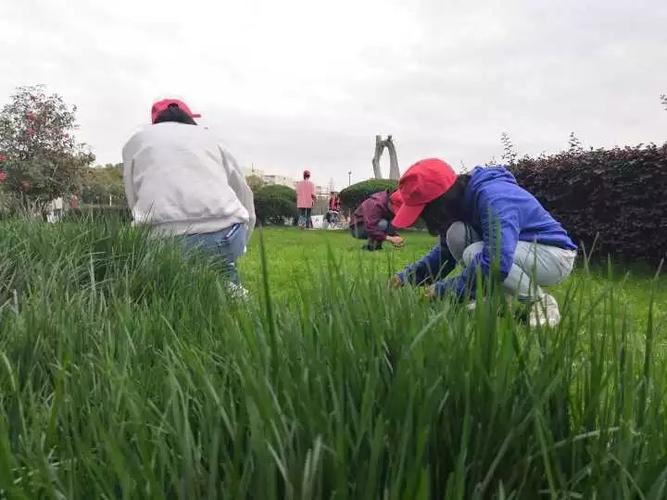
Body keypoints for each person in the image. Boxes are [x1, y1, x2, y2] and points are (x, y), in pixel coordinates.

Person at [391, 158, 577, 327]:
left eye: (425, 213)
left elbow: (497, 260)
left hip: (554, 257)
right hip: (518, 251)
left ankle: (540, 303)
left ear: (439, 202)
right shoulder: (459, 204)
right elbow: (445, 254)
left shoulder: (494, 197)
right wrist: (405, 277)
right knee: (456, 234)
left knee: (474, 252)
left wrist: (445, 290)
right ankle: (497, 301)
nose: (427, 220)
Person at [122, 98, 255, 289]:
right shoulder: (210, 138)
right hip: (225, 235)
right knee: (224, 268)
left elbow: (133, 197)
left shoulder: (136, 142)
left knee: (172, 288)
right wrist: (244, 237)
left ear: (155, 122)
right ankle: (231, 293)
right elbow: (242, 191)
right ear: (189, 119)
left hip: (162, 241)